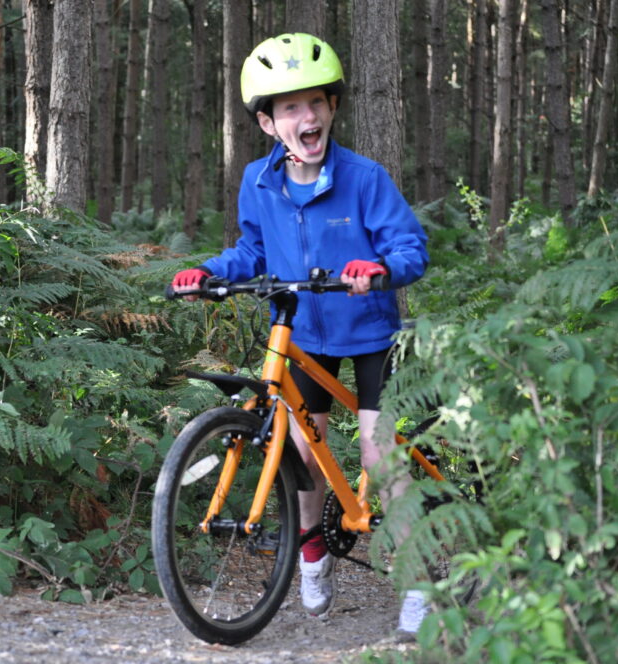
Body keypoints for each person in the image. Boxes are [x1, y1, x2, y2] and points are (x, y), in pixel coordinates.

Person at [171, 33, 429, 638]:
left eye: (314, 102)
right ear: (268, 123)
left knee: (377, 455)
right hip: (299, 331)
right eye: (289, 108)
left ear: (332, 108)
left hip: (369, 333)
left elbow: (410, 248)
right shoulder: (259, 183)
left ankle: (418, 575)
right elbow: (253, 250)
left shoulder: (365, 178)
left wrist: (380, 269)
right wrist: (210, 272)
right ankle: (311, 557)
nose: (305, 116)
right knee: (302, 455)